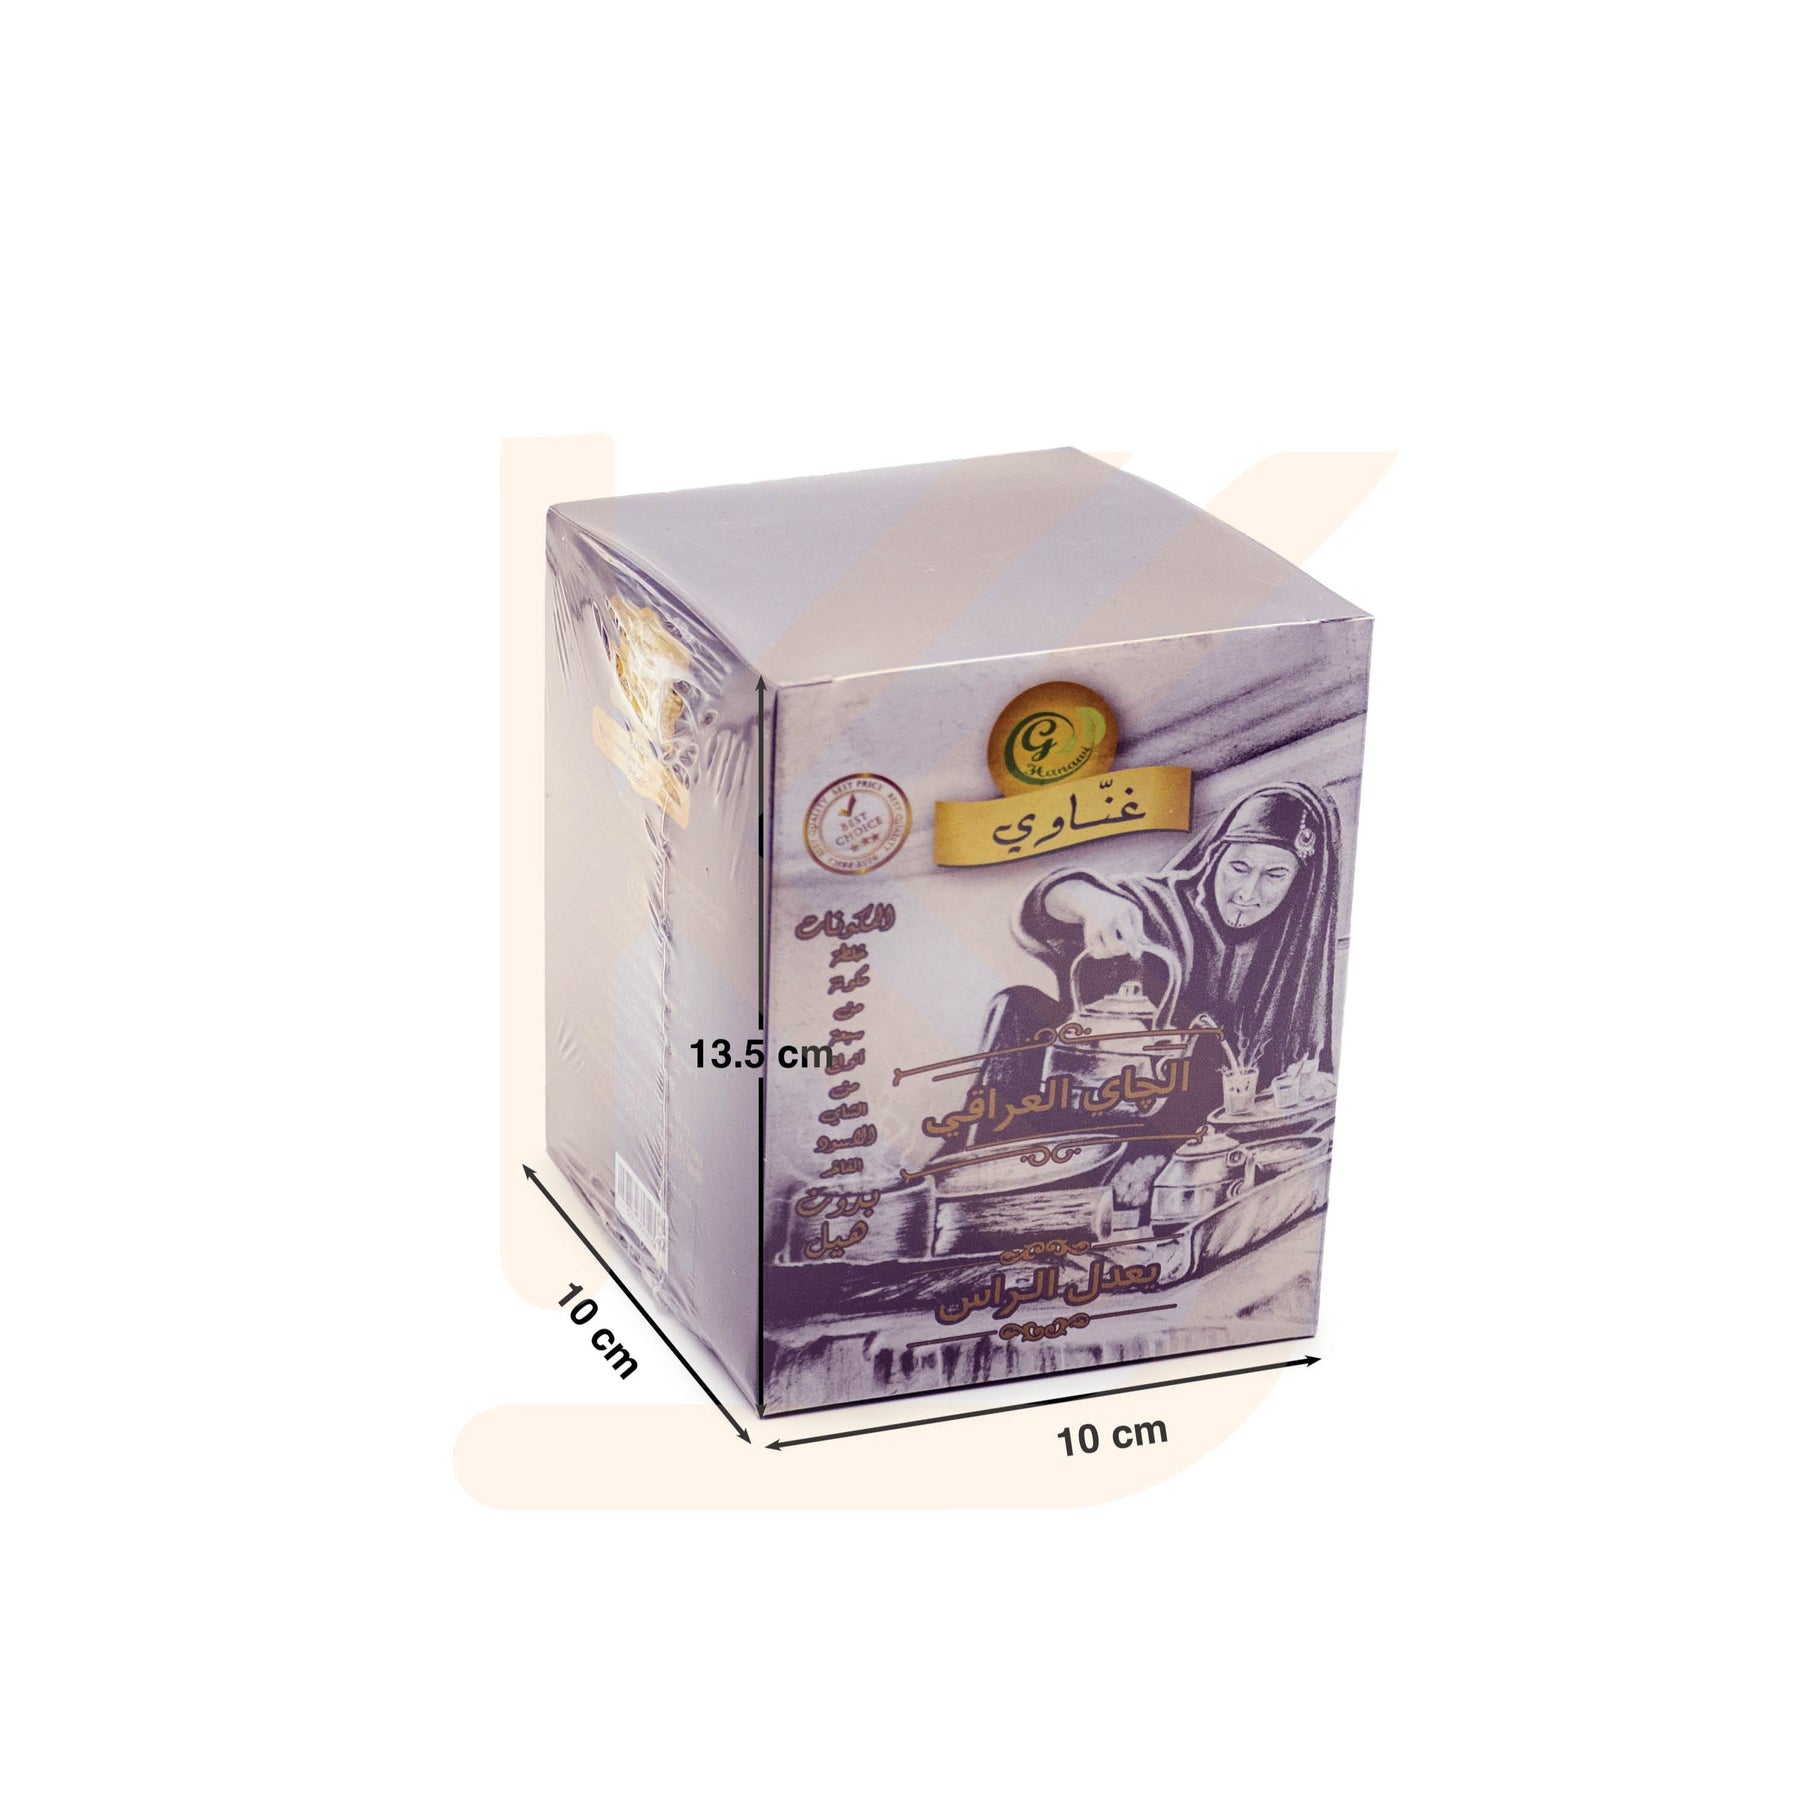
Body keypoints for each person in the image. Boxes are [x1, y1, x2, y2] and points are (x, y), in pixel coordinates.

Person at [940, 781, 1340, 1155]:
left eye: (1274, 875)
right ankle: (977, 1168)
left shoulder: (1291, 956)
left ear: (1297, 882)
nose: (1247, 893)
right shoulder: (1156, 904)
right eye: (1239, 867)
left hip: (1194, 1145)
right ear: (1216, 855)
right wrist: (1091, 902)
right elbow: (1041, 908)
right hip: (1088, 1109)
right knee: (1017, 1004)